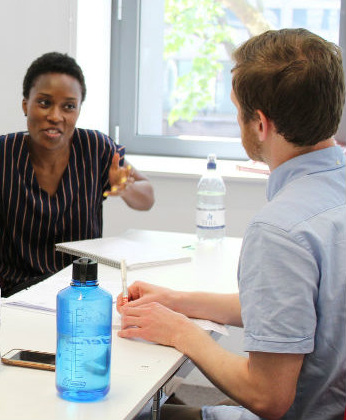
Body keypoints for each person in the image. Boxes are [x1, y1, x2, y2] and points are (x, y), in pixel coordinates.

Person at [118, 28, 346, 420]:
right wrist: (177, 302)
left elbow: (267, 396)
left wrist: (180, 332)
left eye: (238, 110)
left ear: (260, 125)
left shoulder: (280, 231)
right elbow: (296, 310)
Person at [0, 52, 155, 297]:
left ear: (79, 110)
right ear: (25, 104)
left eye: (68, 106)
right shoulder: (1, 151)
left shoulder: (96, 148)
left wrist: (125, 188)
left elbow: (147, 197)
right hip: (17, 291)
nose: (55, 116)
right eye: (44, 103)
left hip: (80, 289)